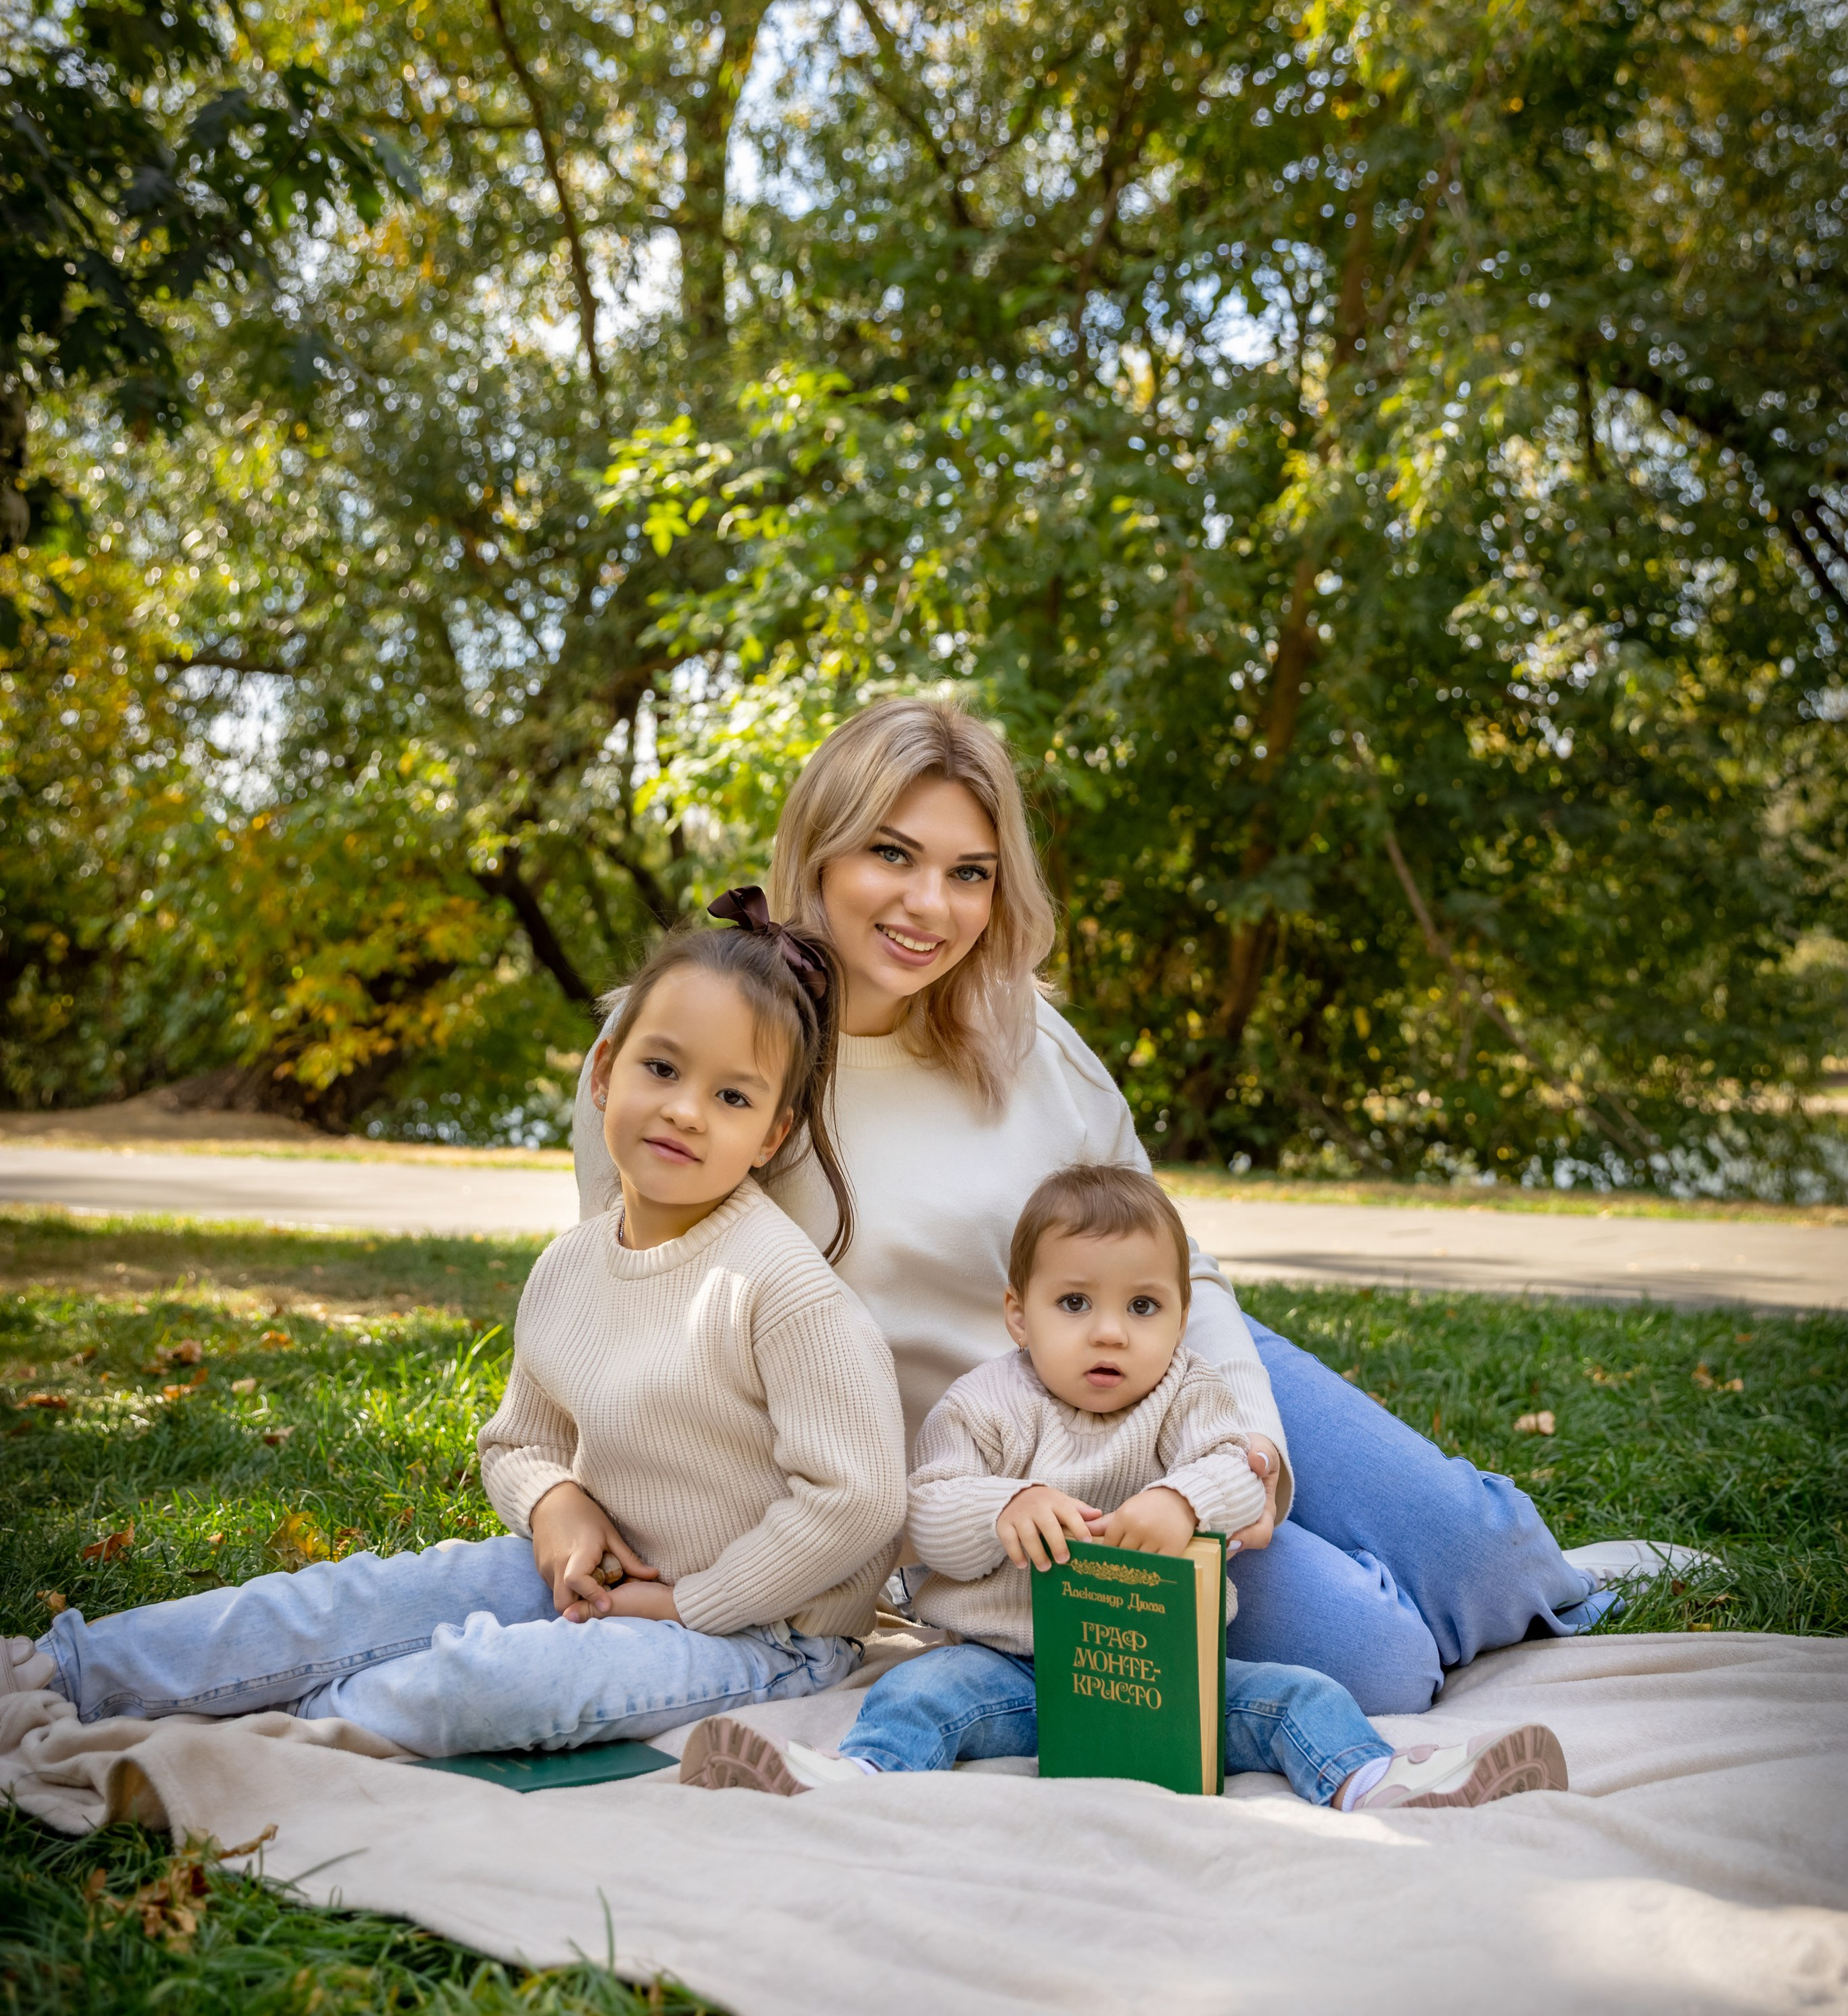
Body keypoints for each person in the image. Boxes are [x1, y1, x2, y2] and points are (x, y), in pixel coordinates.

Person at [571, 700, 1617, 1717]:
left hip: (1165, 1365)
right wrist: (557, 1497)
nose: (929, 906)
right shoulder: (686, 1050)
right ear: (819, 852)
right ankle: (1379, 1593)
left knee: (1492, 1566)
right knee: (1378, 1662)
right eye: (890, 854)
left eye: (968, 874)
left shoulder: (1017, 1029)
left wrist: (1243, 1446)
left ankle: (1508, 1567)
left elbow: (1179, 1260)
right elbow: (628, 1313)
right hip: (1010, 1473)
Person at [5, 897, 906, 1755]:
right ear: (603, 1074)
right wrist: (554, 1503)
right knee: (346, 1600)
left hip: (764, 1633)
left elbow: (858, 1498)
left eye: (732, 1098)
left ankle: (291, 1719)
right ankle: (67, 1669)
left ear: (774, 1132)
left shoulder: (781, 1288)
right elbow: (518, 1442)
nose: (683, 1109)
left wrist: (694, 1602)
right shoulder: (569, 1266)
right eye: (662, 1069)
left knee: (488, 1683)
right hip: (597, 1579)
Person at [677, 1166, 1568, 1809]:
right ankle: (854, 1778)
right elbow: (930, 1511)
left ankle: (1382, 1780)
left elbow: (1235, 1470)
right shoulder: (988, 1402)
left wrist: (1182, 1503)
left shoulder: (1188, 1393)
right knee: (916, 1693)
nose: (1109, 1335)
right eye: (1074, 1305)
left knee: (1303, 1694)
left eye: (1142, 1307)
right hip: (1011, 1670)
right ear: (1018, 1316)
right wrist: (1006, 1508)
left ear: (1182, 1317)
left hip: (1166, 1675)